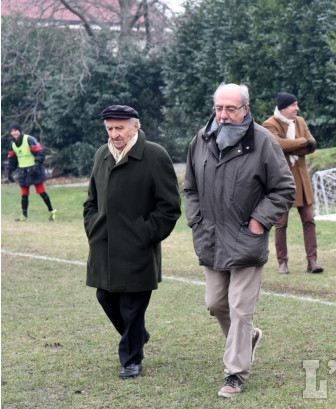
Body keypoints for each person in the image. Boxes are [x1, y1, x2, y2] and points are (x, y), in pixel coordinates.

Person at [184, 83, 295, 398]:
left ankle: (234, 374)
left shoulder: (263, 142)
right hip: (211, 239)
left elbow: (284, 190)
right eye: (219, 108)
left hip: (247, 239)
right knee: (215, 303)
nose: (223, 115)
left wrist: (260, 220)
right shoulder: (201, 140)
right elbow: (190, 187)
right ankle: (247, 339)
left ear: (245, 109)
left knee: (240, 309)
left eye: (230, 108)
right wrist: (196, 219)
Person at [83, 105, 181, 378]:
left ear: (135, 126)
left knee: (132, 305)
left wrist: (145, 234)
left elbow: (170, 206)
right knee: (105, 296)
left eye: (119, 128)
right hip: (103, 246)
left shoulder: (154, 155)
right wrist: (93, 227)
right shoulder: (102, 155)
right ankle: (137, 335)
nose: (114, 134)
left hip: (138, 248)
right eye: (110, 129)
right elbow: (91, 201)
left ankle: (131, 359)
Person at [263, 92, 323, 274]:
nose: (297, 108)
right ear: (283, 108)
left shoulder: (301, 122)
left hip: (302, 181)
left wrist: (299, 143)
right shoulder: (269, 124)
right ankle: (283, 262)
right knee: (281, 223)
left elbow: (312, 145)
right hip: (281, 180)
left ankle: (312, 261)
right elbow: (278, 145)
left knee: (309, 220)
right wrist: (302, 141)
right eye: (293, 105)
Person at [6, 122, 57, 222]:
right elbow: (12, 160)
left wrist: (36, 167)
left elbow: (40, 153)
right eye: (12, 131)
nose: (13, 133)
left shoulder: (29, 139)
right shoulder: (12, 144)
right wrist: (9, 172)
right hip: (23, 172)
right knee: (24, 194)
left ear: (19, 131)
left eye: (15, 130)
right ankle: (24, 216)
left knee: (42, 192)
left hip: (35, 170)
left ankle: (52, 212)